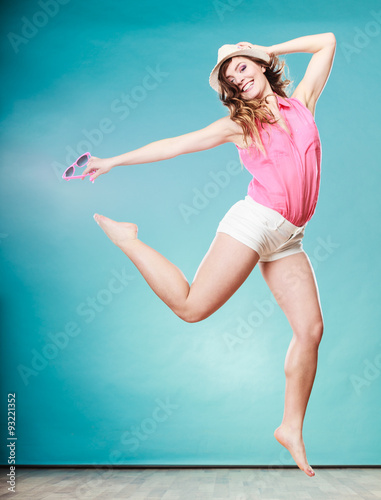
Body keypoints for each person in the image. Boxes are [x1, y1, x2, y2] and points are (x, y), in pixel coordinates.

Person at [82, 33, 336, 477]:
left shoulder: (303, 102)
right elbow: (175, 144)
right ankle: (128, 239)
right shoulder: (241, 125)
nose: (237, 79)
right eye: (229, 78)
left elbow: (327, 42)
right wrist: (112, 160)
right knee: (191, 307)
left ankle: (290, 427)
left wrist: (265, 47)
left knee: (311, 329)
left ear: (259, 65)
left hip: (290, 238)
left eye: (241, 67)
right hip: (256, 223)